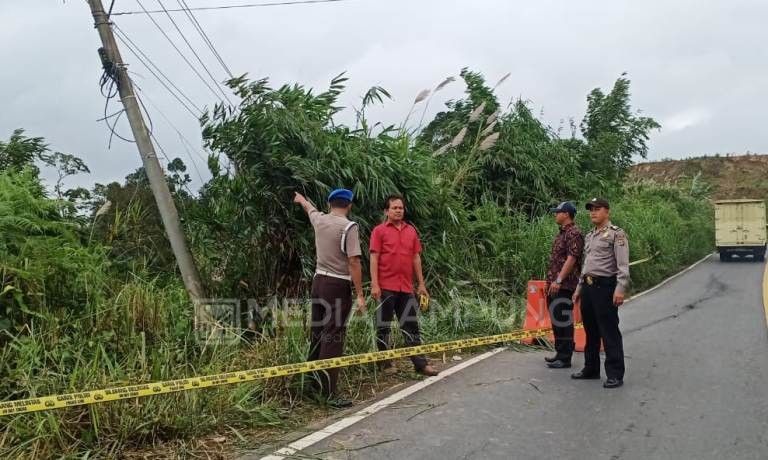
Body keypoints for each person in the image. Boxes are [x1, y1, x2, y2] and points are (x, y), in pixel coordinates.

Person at [294, 189, 365, 407]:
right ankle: (329, 393)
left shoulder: (320, 219)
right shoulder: (349, 227)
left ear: (329, 204)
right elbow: (354, 262)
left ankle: (311, 384)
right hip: (337, 284)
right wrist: (360, 294)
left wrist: (301, 200)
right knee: (333, 337)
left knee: (317, 333)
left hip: (318, 283)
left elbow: (309, 209)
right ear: (349, 205)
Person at [370, 195, 439, 377]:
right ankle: (385, 364)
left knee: (411, 326)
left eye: (401, 208)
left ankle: (420, 364)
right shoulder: (379, 231)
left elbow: (416, 257)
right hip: (385, 286)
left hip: (406, 287)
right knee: (383, 326)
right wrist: (375, 284)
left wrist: (421, 284)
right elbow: (374, 257)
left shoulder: (411, 231)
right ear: (386, 211)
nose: (398, 210)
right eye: (394, 208)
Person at [571, 197, 630, 389]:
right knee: (591, 330)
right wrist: (579, 289)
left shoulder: (616, 234)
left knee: (609, 331)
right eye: (591, 209)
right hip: (588, 287)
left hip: (605, 287)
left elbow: (623, 266)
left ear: (607, 211)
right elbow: (586, 266)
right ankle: (591, 368)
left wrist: (620, 289)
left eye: (597, 209)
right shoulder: (590, 235)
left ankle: (615, 374)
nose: (593, 212)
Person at [544, 201, 584, 369]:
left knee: (563, 320)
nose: (555, 215)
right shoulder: (562, 234)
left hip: (564, 285)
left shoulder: (574, 233)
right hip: (554, 284)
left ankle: (566, 357)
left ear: (566, 214)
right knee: (556, 319)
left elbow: (572, 259)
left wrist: (559, 280)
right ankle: (560, 353)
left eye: (558, 212)